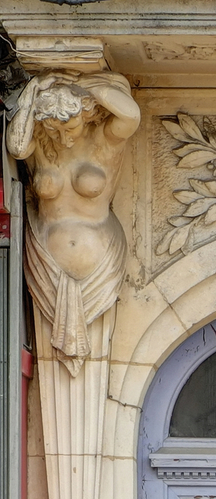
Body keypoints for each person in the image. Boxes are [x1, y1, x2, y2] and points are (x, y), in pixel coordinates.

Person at [7, 70, 140, 375]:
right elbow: (16, 147)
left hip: (100, 266)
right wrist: (31, 95)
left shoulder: (102, 141)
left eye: (70, 126)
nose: (64, 137)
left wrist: (88, 87)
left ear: (86, 113)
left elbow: (130, 117)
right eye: (54, 129)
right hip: (47, 266)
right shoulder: (41, 146)